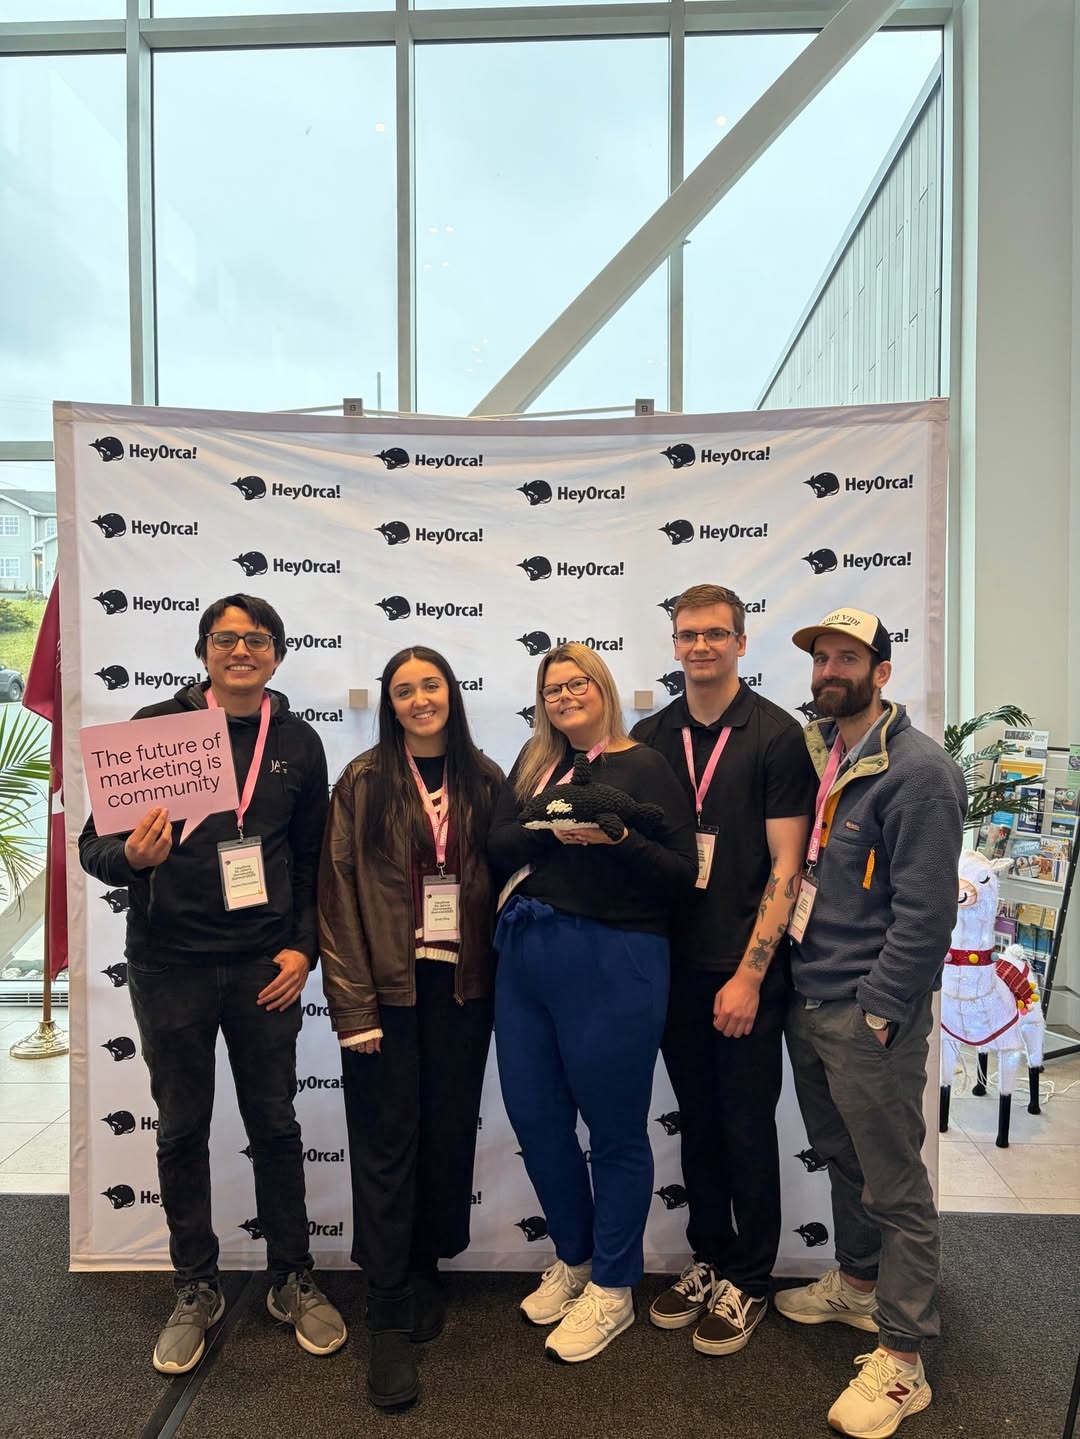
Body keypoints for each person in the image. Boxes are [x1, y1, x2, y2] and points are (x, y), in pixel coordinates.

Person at [78, 594, 346, 1375]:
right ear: (203, 651)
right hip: (170, 964)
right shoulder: (153, 730)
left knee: (275, 1122)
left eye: (256, 638)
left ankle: (290, 1275)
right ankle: (196, 1283)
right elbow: (97, 845)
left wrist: (305, 951)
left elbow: (310, 859)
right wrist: (135, 860)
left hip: (266, 964)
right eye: (226, 638)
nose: (240, 649)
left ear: (276, 653)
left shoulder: (298, 741)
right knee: (180, 1128)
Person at [774, 607, 966, 1438]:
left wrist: (886, 1009)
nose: (829, 670)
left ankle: (905, 1358)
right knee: (845, 1158)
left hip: (866, 1012)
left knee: (896, 1183)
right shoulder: (829, 755)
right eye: (821, 657)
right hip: (811, 998)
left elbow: (926, 912)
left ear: (882, 671)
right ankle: (857, 1285)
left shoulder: (919, 771)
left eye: (847, 657)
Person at [488, 643, 697, 1364]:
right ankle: (575, 1258)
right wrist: (546, 818)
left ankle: (614, 1284)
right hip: (527, 952)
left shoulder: (644, 764)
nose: (565, 695)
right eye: (552, 688)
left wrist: (616, 836)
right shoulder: (535, 760)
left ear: (603, 687)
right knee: (537, 1121)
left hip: (615, 955)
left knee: (612, 1130)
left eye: (577, 683)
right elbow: (495, 842)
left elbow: (680, 872)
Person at [630, 583, 815, 1354]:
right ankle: (708, 1257)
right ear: (673, 645)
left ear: (742, 641)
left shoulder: (776, 735)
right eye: (687, 634)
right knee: (697, 1125)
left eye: (715, 633)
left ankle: (753, 1278)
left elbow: (788, 865)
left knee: (744, 1125)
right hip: (671, 970)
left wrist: (748, 975)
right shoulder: (649, 734)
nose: (700, 646)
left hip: (745, 970)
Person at [318, 646, 503, 1411]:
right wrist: (355, 1010)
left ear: (451, 694)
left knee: (446, 1129)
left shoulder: (486, 778)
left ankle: (426, 1264)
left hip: (462, 989)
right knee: (388, 1138)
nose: (420, 699)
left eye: (431, 685)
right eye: (404, 690)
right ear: (389, 703)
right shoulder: (363, 780)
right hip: (387, 991)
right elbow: (336, 894)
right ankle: (387, 1300)